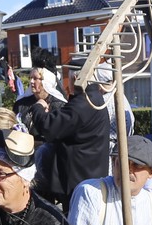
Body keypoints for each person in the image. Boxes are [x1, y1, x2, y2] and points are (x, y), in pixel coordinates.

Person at [22, 63, 110, 207]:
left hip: (80, 177)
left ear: (76, 78)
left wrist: (38, 107)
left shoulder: (84, 102)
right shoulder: (91, 98)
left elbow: (50, 127)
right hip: (85, 173)